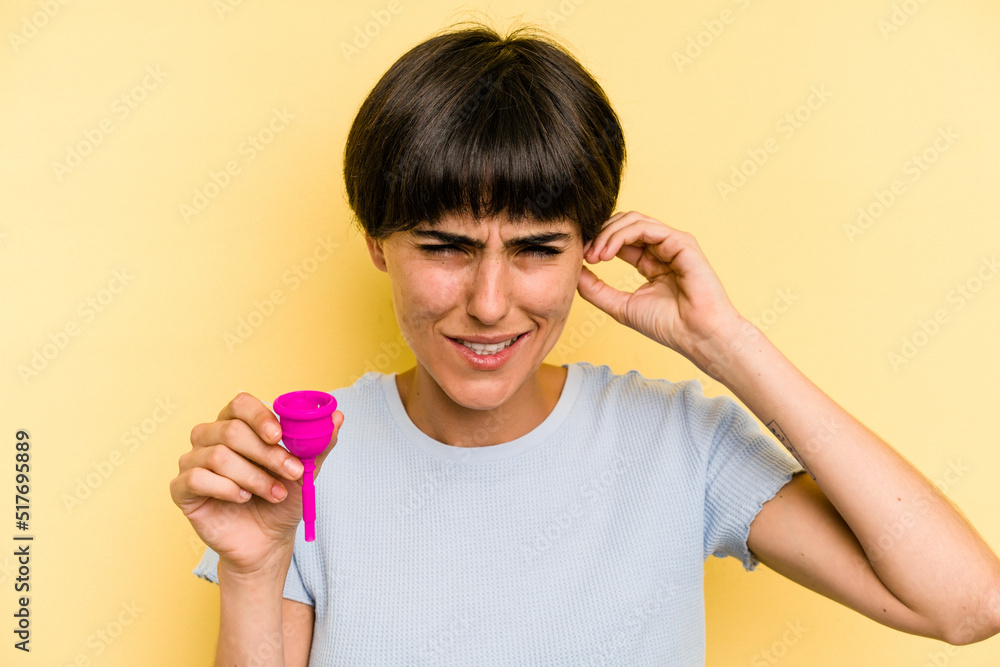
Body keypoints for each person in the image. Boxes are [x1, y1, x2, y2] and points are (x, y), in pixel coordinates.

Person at [169, 21, 1000, 666]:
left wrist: (728, 343)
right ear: (377, 243)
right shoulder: (300, 465)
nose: (489, 303)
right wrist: (254, 569)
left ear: (588, 251)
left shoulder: (678, 440)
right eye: (446, 247)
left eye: (536, 249)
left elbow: (967, 604)